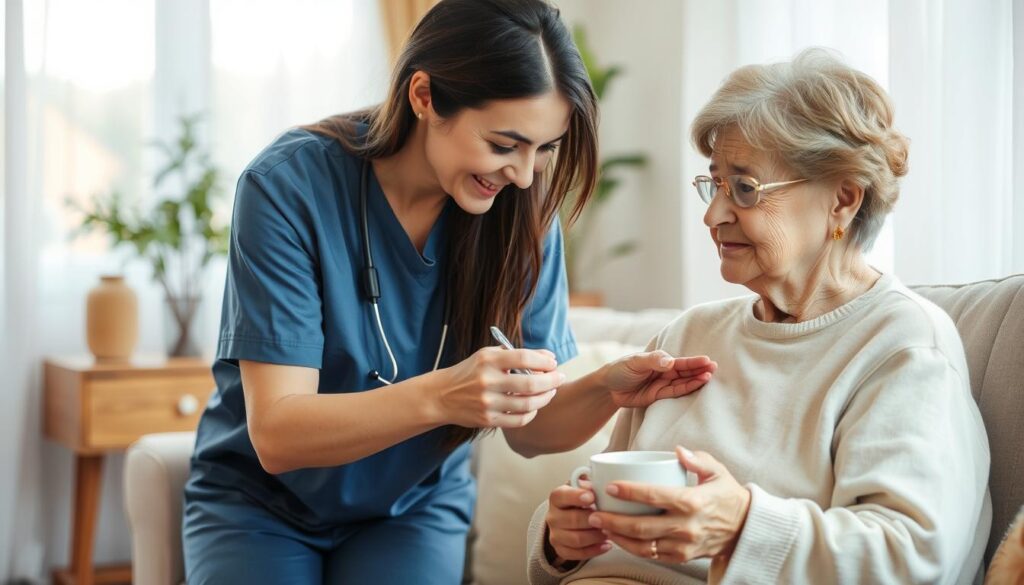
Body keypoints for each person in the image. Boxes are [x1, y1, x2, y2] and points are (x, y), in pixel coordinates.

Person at [182, 1, 717, 584]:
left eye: (545, 148)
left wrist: (606, 388)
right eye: (505, 143)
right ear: (424, 96)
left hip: (412, 509)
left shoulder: (524, 212)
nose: (525, 174)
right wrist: (444, 396)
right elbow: (278, 434)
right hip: (260, 505)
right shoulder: (288, 188)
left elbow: (533, 433)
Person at [529, 49, 991, 585]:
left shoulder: (903, 346)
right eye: (714, 183)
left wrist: (741, 526)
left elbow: (909, 559)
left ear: (842, 199)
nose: (713, 215)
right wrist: (559, 541)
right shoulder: (689, 334)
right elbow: (596, 503)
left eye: (744, 189)